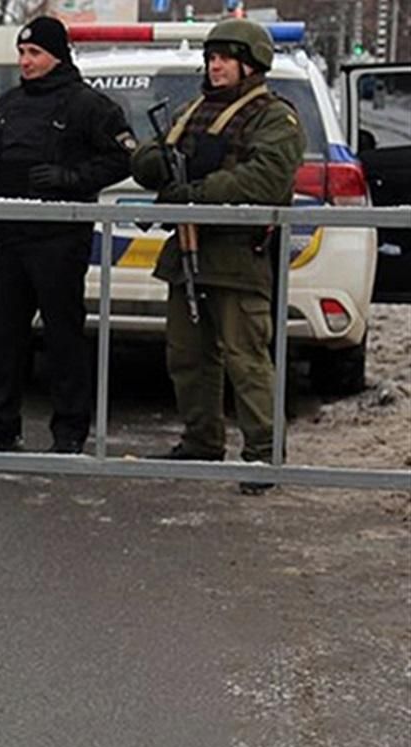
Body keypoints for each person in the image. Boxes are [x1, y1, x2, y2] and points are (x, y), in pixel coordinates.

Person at [131, 18, 304, 494]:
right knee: (187, 355)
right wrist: (158, 165)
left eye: (225, 57)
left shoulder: (275, 116)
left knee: (245, 359)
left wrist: (197, 192)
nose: (216, 65)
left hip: (237, 255)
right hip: (188, 250)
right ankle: (202, 439)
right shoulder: (193, 110)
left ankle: (263, 456)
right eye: (211, 58)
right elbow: (147, 158)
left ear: (250, 64)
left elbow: (265, 178)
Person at [0, 16, 133, 454]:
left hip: (57, 239)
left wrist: (70, 178)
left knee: (63, 336)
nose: (25, 61)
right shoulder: (9, 103)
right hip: (9, 237)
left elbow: (121, 160)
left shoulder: (88, 105)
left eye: (34, 54)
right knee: (4, 335)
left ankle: (68, 430)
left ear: (57, 56)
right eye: (22, 53)